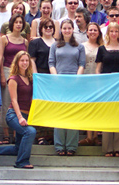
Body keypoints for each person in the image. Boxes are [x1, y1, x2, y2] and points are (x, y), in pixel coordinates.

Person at [0, 51, 36, 169]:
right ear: (17, 62)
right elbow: (14, 100)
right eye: (22, 60)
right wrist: (20, 117)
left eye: (27, 60)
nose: (25, 63)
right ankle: (22, 162)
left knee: (18, 147)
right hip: (14, 115)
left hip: (27, 115)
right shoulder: (13, 79)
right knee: (30, 132)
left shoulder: (31, 79)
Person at [49, 19, 86, 156]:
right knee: (59, 114)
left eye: (69, 28)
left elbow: (82, 64)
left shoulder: (79, 47)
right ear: (61, 30)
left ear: (72, 29)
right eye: (64, 28)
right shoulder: (55, 46)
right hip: (59, 83)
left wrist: (77, 79)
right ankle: (59, 146)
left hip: (74, 84)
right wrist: (57, 78)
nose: (66, 30)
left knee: (72, 114)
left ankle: (71, 146)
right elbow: (51, 63)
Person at [96, 22, 119, 157]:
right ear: (108, 33)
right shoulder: (102, 49)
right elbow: (98, 69)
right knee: (107, 115)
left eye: (116, 31)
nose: (113, 34)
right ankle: (108, 148)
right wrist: (98, 86)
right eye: (111, 31)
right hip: (106, 87)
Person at [0, 14, 28, 145]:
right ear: (12, 24)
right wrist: (2, 75)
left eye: (20, 23)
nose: (18, 25)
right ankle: (6, 134)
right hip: (7, 70)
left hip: (21, 73)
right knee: (6, 102)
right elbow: (0, 58)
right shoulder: (4, 39)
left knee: (18, 102)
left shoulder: (25, 41)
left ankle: (17, 132)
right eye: (16, 22)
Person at [29, 18, 56, 145]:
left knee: (52, 106)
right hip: (40, 75)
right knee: (40, 105)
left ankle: (51, 134)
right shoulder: (36, 43)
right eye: (46, 27)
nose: (49, 29)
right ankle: (40, 135)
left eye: (51, 26)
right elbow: (32, 60)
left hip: (54, 78)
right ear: (41, 29)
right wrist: (35, 76)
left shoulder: (58, 43)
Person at [78, 22, 103, 146]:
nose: (92, 32)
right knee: (88, 107)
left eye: (95, 30)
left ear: (98, 32)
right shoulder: (81, 46)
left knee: (96, 107)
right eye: (90, 30)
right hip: (85, 79)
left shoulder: (102, 47)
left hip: (98, 80)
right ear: (87, 32)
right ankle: (89, 136)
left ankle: (96, 136)